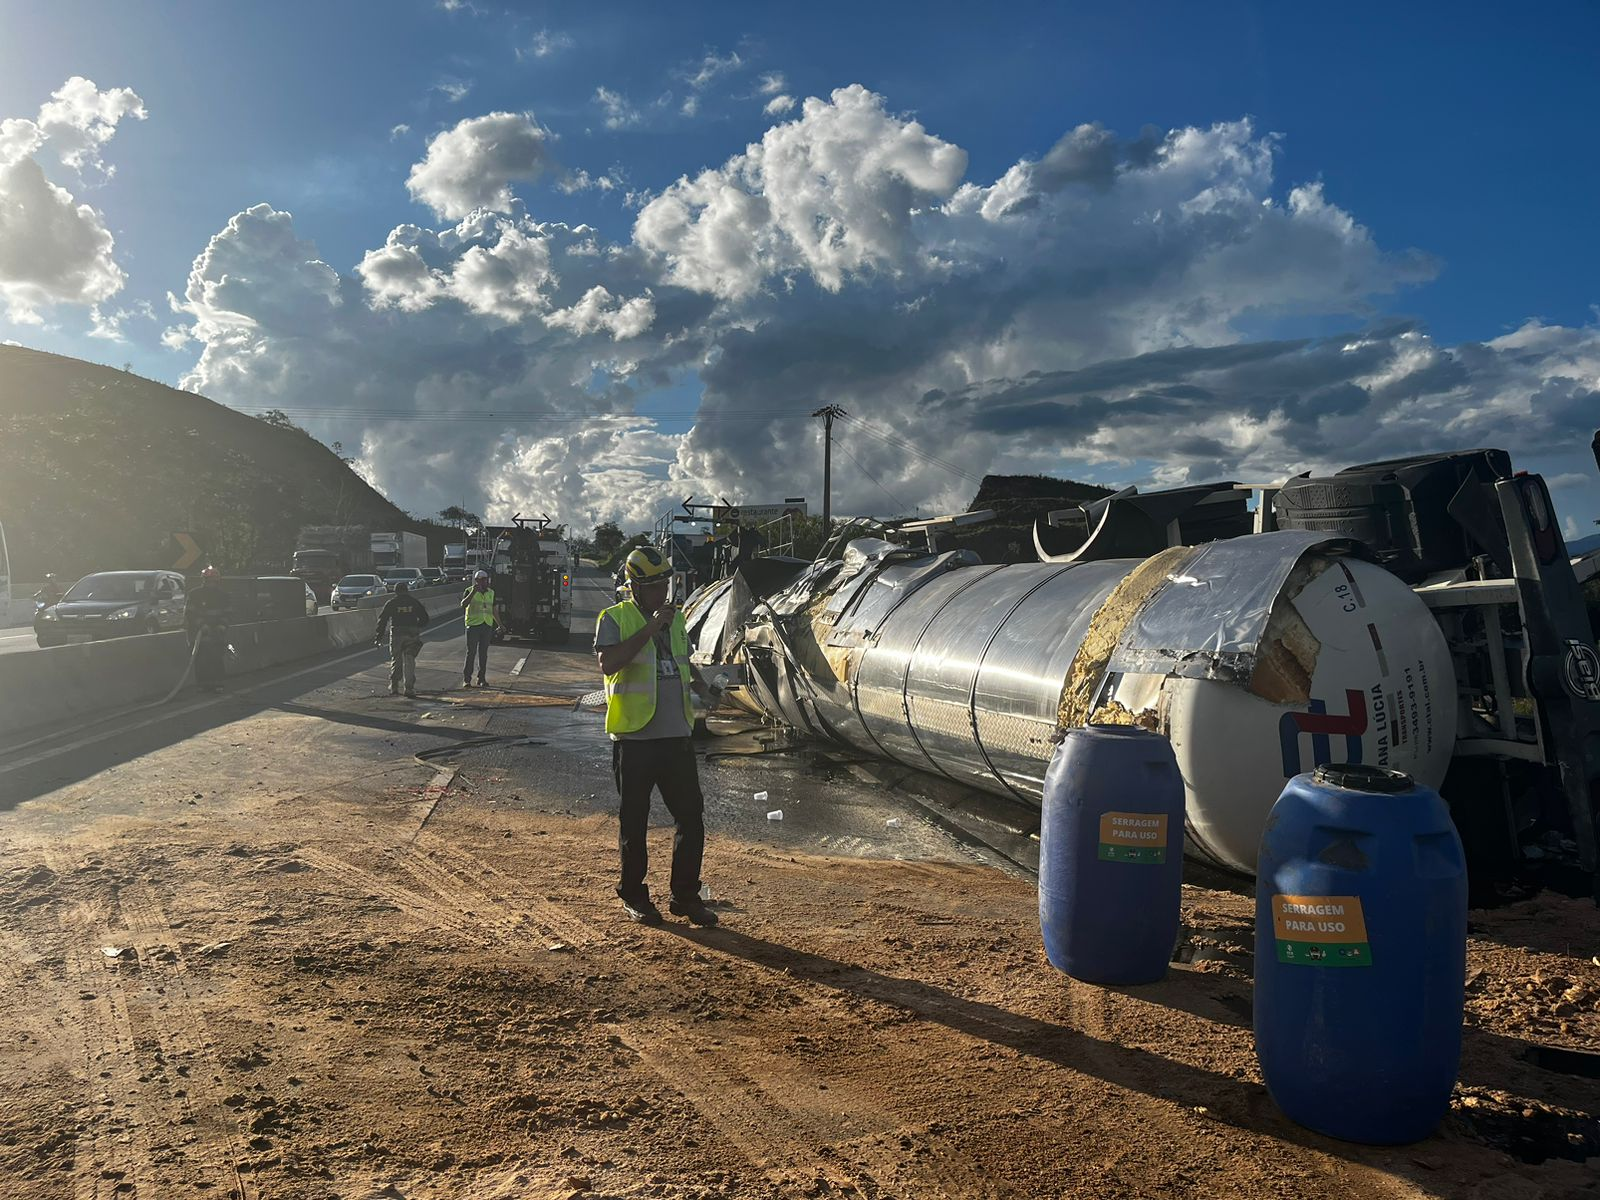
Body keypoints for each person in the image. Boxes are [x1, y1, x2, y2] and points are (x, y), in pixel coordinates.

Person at [594, 545, 719, 927]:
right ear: (633, 586)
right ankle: (634, 896)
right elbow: (610, 663)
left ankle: (685, 896)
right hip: (635, 739)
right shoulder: (614, 617)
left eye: (664, 584)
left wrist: (703, 688)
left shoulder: (676, 621)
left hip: (675, 736)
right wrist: (650, 628)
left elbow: (683, 663)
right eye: (652, 586)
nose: (661, 593)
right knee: (635, 821)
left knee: (691, 817)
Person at [375, 581, 429, 697]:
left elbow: (383, 620)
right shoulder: (414, 602)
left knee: (396, 659)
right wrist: (417, 626)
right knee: (409, 661)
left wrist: (379, 636)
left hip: (397, 633)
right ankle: (409, 688)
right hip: (412, 633)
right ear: (407, 590)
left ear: (396, 591)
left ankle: (394, 686)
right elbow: (425, 618)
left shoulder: (391, 603)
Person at [185, 566, 231, 693]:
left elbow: (228, 614)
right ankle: (203, 684)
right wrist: (202, 625)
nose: (211, 584)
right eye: (208, 580)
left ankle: (218, 683)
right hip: (199, 634)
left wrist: (222, 626)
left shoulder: (224, 596)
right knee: (201, 659)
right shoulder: (194, 595)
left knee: (217, 658)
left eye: (213, 581)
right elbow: (190, 613)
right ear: (204, 580)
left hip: (217, 633)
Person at [460, 569, 500, 687]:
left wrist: (499, 624)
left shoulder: (491, 593)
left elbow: (493, 610)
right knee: (471, 653)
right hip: (473, 626)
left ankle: (481, 679)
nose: (483, 582)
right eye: (480, 580)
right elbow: (463, 604)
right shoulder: (469, 591)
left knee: (483, 654)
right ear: (476, 581)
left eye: (485, 580)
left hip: (486, 625)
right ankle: (467, 679)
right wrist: (473, 592)